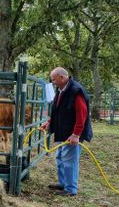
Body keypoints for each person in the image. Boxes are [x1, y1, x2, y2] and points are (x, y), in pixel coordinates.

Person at [39, 67, 93, 197]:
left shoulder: (75, 91)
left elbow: (82, 114)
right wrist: (50, 122)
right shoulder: (62, 90)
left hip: (71, 134)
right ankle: (63, 183)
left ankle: (70, 189)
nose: (53, 83)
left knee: (69, 161)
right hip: (63, 131)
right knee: (60, 158)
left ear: (62, 78)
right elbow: (59, 110)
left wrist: (76, 134)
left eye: (54, 80)